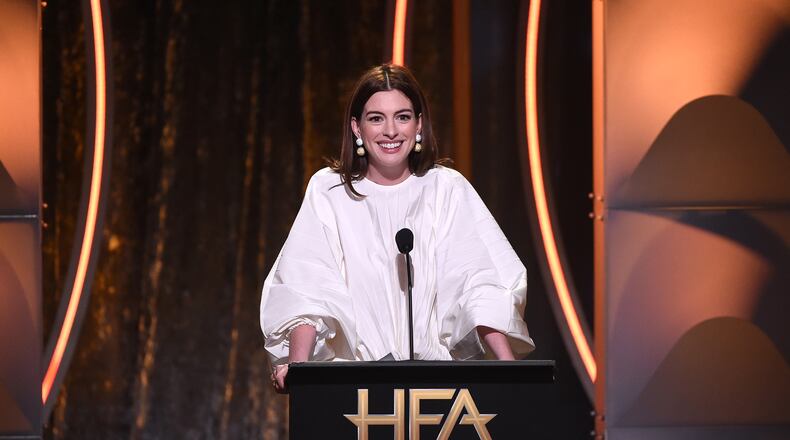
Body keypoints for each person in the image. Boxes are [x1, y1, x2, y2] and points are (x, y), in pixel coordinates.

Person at [260, 64, 534, 392]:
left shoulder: (446, 189)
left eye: (402, 117)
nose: (391, 130)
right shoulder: (329, 191)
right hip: (356, 389)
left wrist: (511, 372)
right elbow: (307, 288)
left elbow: (477, 285)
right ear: (356, 127)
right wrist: (298, 368)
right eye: (376, 118)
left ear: (419, 124)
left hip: (437, 389)